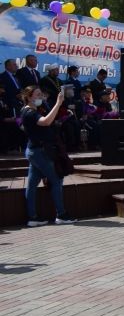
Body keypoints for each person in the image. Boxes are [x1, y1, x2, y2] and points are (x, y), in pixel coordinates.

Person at [19, 85, 75, 226]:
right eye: (38, 95)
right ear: (29, 97)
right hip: (39, 152)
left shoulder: (32, 110)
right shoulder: (30, 112)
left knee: (32, 185)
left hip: (35, 150)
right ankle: (61, 214)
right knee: (56, 180)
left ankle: (32, 217)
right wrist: (58, 103)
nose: (41, 97)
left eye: (41, 94)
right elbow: (45, 122)